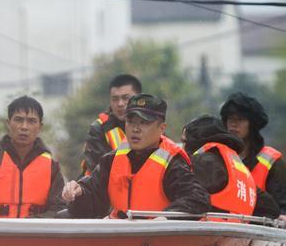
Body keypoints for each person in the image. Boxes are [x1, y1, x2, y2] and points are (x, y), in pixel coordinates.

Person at [62, 94, 210, 219]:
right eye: (130, 121)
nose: (135, 129)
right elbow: (93, 198)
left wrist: (166, 219)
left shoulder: (172, 163)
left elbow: (197, 198)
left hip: (158, 243)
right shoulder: (111, 160)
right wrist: (78, 193)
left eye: (144, 123)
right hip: (118, 240)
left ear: (162, 128)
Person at [0, 95, 66, 218]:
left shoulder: (51, 166)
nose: (24, 127)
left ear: (40, 126)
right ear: (8, 123)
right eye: (18, 120)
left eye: (31, 121)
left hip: (32, 234)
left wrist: (32, 223)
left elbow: (60, 208)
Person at [220, 92, 286, 227]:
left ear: (252, 125)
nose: (233, 124)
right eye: (230, 119)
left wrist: (285, 218)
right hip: (221, 232)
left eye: (240, 119)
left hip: (260, 232)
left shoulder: (271, 162)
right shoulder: (217, 157)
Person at [181, 115, 281, 220]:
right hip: (234, 232)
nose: (182, 148)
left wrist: (165, 216)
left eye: (184, 142)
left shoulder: (204, 162)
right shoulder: (239, 170)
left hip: (201, 232)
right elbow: (271, 209)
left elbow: (192, 201)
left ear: (195, 142)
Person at [80, 74, 141, 176]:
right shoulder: (99, 129)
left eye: (126, 98)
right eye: (115, 99)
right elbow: (99, 172)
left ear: (139, 98)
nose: (120, 104)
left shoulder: (152, 125)